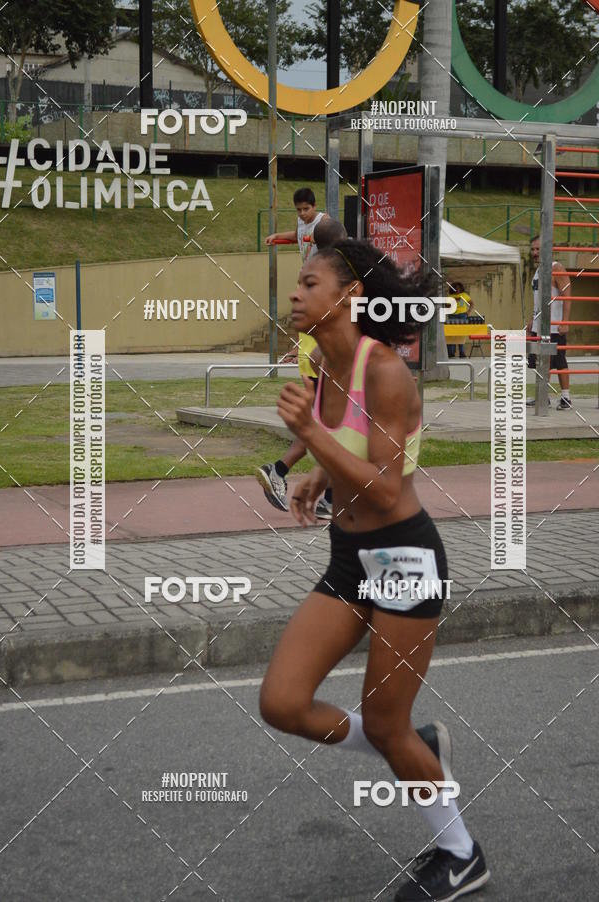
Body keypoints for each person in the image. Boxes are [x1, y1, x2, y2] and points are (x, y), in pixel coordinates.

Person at [259, 240, 489, 902]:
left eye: (309, 282)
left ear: (350, 294)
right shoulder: (323, 365)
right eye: (295, 283)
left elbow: (389, 489)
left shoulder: (384, 370)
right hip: (348, 557)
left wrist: (316, 442)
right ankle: (415, 747)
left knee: (384, 722)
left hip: (404, 558)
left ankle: (461, 852)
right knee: (283, 702)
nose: (295, 293)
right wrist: (315, 474)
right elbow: (344, 453)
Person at [256, 212, 347, 517]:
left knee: (329, 425)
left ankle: (327, 496)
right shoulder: (335, 275)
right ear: (339, 242)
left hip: (314, 354)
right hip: (328, 358)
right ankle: (282, 472)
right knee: (333, 427)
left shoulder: (310, 271)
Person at [526, 234, 572, 409]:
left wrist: (565, 321)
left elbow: (568, 297)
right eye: (533, 249)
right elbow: (538, 300)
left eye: (538, 249)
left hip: (554, 325)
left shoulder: (557, 268)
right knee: (541, 361)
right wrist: (532, 320)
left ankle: (566, 397)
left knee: (559, 361)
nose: (535, 252)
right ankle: (542, 396)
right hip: (540, 325)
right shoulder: (538, 271)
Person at [446, 281, 474, 359]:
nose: (457, 290)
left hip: (462, 316)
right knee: (452, 334)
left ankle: (462, 352)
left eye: (459, 288)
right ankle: (451, 352)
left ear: (461, 288)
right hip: (452, 316)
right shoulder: (450, 296)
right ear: (453, 289)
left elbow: (472, 303)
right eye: (455, 288)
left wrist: (468, 312)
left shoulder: (464, 295)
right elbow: (447, 306)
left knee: (461, 334)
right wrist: (454, 301)